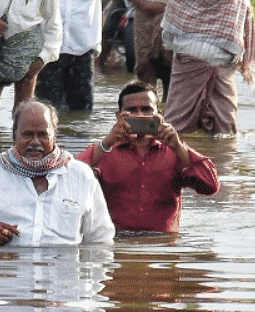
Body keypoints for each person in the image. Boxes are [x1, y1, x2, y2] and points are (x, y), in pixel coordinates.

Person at [0, 100, 115, 246]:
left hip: (63, 278)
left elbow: (100, 240)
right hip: (3, 275)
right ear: (14, 135)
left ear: (54, 136)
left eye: (43, 135)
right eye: (27, 135)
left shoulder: (80, 175)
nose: (35, 142)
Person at [76, 81, 219, 232]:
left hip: (163, 246)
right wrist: (107, 142)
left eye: (146, 109)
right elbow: (69, 179)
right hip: (117, 241)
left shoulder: (176, 152)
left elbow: (211, 186)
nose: (140, 115)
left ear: (159, 115)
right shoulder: (103, 151)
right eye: (132, 110)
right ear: (119, 116)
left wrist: (178, 147)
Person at [161, 0, 255, 134]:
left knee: (226, 136)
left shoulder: (238, 1)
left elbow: (244, 47)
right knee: (172, 133)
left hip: (221, 78)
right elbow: (167, 40)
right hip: (185, 76)